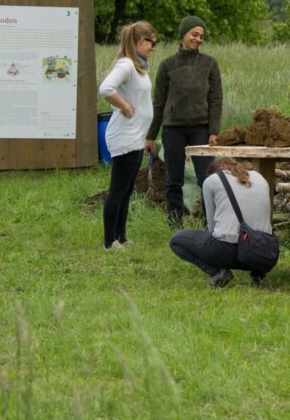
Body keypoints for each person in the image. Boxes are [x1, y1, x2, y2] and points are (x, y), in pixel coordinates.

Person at [146, 15, 223, 228]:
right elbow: (158, 103)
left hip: (201, 129)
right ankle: (175, 224)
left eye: (201, 36)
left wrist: (214, 131)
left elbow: (216, 100)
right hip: (173, 129)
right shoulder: (167, 65)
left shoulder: (210, 64)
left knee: (207, 178)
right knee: (174, 180)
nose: (198, 39)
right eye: (194, 35)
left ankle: (211, 224)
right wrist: (151, 136)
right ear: (183, 35)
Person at [169, 158, 273, 287]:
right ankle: (258, 275)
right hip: (266, 252)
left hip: (229, 250)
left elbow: (213, 228)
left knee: (176, 240)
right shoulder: (260, 177)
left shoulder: (212, 180)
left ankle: (218, 272)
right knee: (255, 232)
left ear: (214, 171)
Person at [99, 22, 157, 250]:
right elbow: (106, 89)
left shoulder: (139, 67)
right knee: (118, 189)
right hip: (124, 136)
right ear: (139, 41)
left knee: (127, 189)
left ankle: (121, 236)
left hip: (136, 136)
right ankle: (108, 241)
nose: (153, 46)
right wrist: (125, 106)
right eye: (151, 42)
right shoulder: (126, 65)